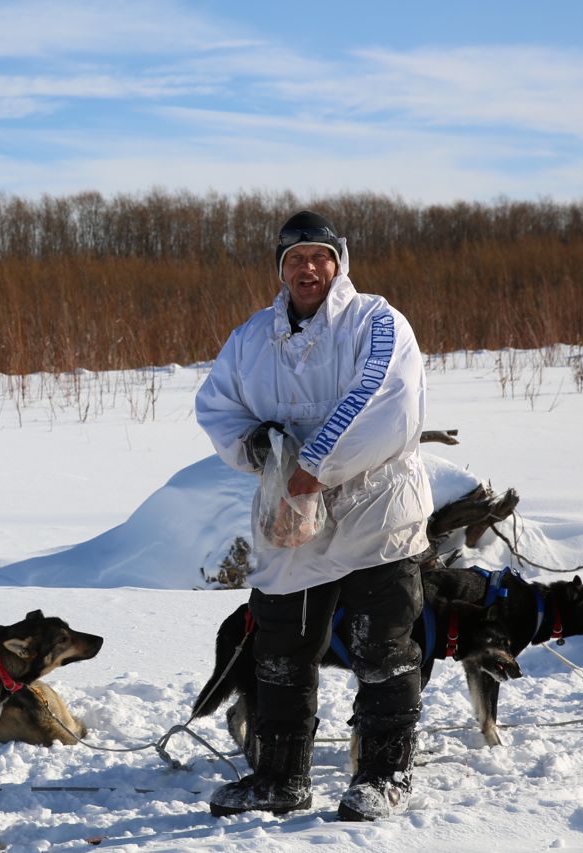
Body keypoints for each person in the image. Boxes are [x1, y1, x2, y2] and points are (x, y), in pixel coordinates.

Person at [195, 210, 434, 821]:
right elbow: (218, 404)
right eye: (294, 258)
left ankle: (384, 775)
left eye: (318, 257)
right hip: (292, 521)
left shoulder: (376, 321)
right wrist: (258, 450)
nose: (308, 268)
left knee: (383, 646)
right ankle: (280, 778)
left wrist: (312, 467)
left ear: (339, 262)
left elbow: (387, 403)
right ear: (280, 269)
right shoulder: (252, 336)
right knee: (280, 647)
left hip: (377, 513)